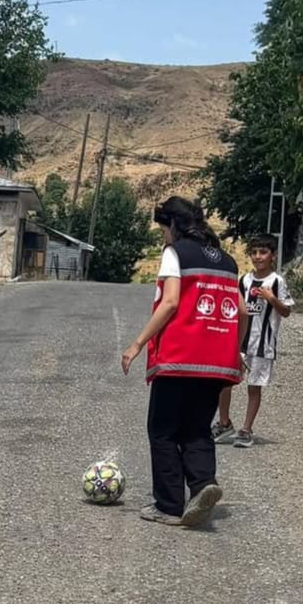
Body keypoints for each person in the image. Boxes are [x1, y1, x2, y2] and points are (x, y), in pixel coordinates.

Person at [121, 196, 248, 527]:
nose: (163, 236)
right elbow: (243, 311)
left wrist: (136, 344)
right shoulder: (227, 261)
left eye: (163, 229)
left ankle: (168, 506)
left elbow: (171, 302)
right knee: (196, 429)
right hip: (217, 361)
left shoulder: (175, 253)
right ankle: (204, 484)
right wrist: (236, 350)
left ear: (173, 226)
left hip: (180, 357)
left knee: (162, 430)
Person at [212, 233, 294, 448]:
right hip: (239, 341)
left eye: (263, 252)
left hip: (262, 343)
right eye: (254, 252)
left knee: (254, 387)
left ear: (272, 256)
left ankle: (246, 428)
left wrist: (271, 299)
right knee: (225, 382)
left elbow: (286, 311)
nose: (258, 257)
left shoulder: (277, 281)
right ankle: (224, 422)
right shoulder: (245, 281)